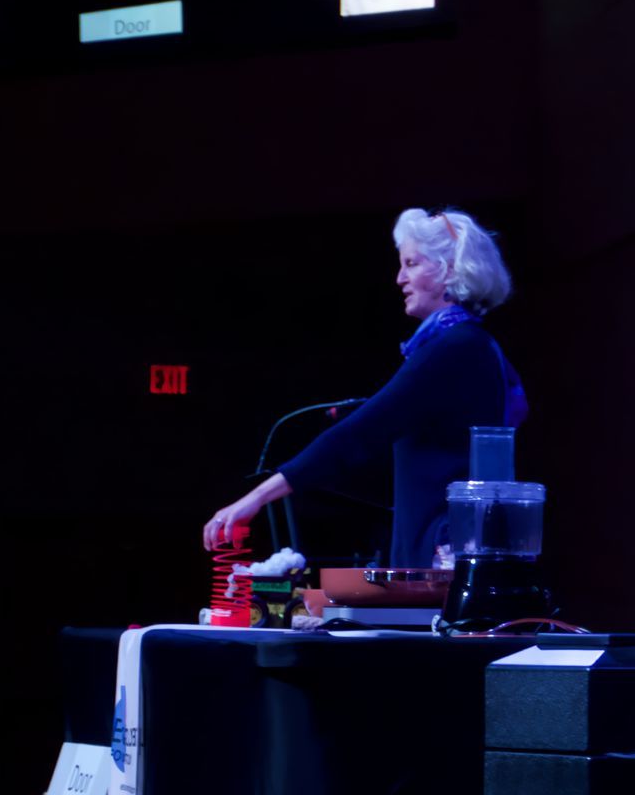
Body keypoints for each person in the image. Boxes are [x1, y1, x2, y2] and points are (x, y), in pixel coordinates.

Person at [204, 207, 528, 568]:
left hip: (445, 554)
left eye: (411, 264)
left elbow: (363, 432)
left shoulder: (458, 346)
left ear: (448, 269)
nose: (399, 279)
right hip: (441, 546)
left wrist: (256, 498)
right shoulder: (469, 345)